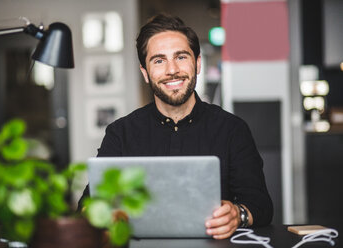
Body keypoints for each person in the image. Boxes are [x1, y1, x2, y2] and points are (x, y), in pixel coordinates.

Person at [79, 13, 273, 239]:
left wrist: (237, 214)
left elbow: (261, 205)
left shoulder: (233, 129)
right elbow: (87, 205)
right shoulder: (120, 133)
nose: (172, 70)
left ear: (197, 63)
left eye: (181, 57)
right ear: (145, 73)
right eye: (159, 60)